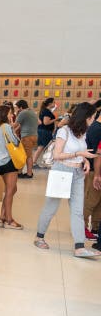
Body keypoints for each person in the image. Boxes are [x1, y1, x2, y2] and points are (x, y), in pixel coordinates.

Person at [33, 102, 99, 257]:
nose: (93, 121)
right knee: (51, 207)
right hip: (61, 170)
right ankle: (39, 236)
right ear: (86, 117)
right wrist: (79, 155)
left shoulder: (83, 133)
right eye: (92, 118)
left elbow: (82, 151)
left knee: (77, 210)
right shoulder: (64, 131)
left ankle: (79, 247)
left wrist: (86, 161)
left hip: (77, 174)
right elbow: (57, 155)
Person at [0, 105, 23, 229]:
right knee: (10, 191)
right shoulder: (6, 127)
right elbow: (16, 142)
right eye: (9, 113)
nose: (11, 115)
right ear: (4, 115)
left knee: (12, 189)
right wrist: (14, 130)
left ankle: (2, 217)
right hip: (9, 162)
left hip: (0, 162)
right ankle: (9, 219)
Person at [83, 102, 101, 240]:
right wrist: (97, 174)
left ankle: (95, 228)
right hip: (94, 171)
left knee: (98, 202)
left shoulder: (96, 126)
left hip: (96, 171)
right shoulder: (97, 128)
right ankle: (81, 227)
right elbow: (97, 154)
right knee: (90, 201)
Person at [14, 99, 38, 178]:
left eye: (17, 108)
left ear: (21, 107)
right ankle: (25, 172)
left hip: (27, 137)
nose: (16, 109)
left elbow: (15, 124)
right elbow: (22, 124)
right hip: (34, 136)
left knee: (26, 155)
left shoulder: (23, 113)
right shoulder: (31, 112)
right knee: (28, 155)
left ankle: (27, 173)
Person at [33, 98, 58, 166]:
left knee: (41, 147)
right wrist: (56, 119)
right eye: (53, 102)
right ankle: (45, 161)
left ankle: (34, 162)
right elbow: (46, 122)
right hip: (45, 131)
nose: (55, 104)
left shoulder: (46, 111)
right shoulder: (46, 111)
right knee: (46, 147)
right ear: (50, 104)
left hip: (43, 131)